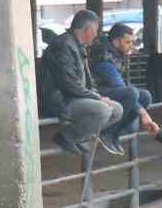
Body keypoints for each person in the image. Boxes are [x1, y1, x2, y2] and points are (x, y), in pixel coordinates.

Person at [41, 10, 125, 157]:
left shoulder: (78, 45)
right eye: (96, 31)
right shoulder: (63, 45)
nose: (96, 34)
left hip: (74, 97)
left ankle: (81, 138)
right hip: (59, 100)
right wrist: (97, 98)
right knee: (103, 110)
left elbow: (87, 81)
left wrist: (97, 95)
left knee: (117, 109)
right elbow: (69, 84)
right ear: (88, 29)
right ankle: (67, 136)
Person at [88, 23, 154, 146]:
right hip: (95, 94)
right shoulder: (104, 57)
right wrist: (143, 113)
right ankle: (107, 132)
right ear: (116, 41)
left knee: (145, 96)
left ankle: (115, 131)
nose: (131, 46)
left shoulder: (116, 54)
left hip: (109, 90)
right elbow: (121, 87)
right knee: (131, 93)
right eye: (128, 42)